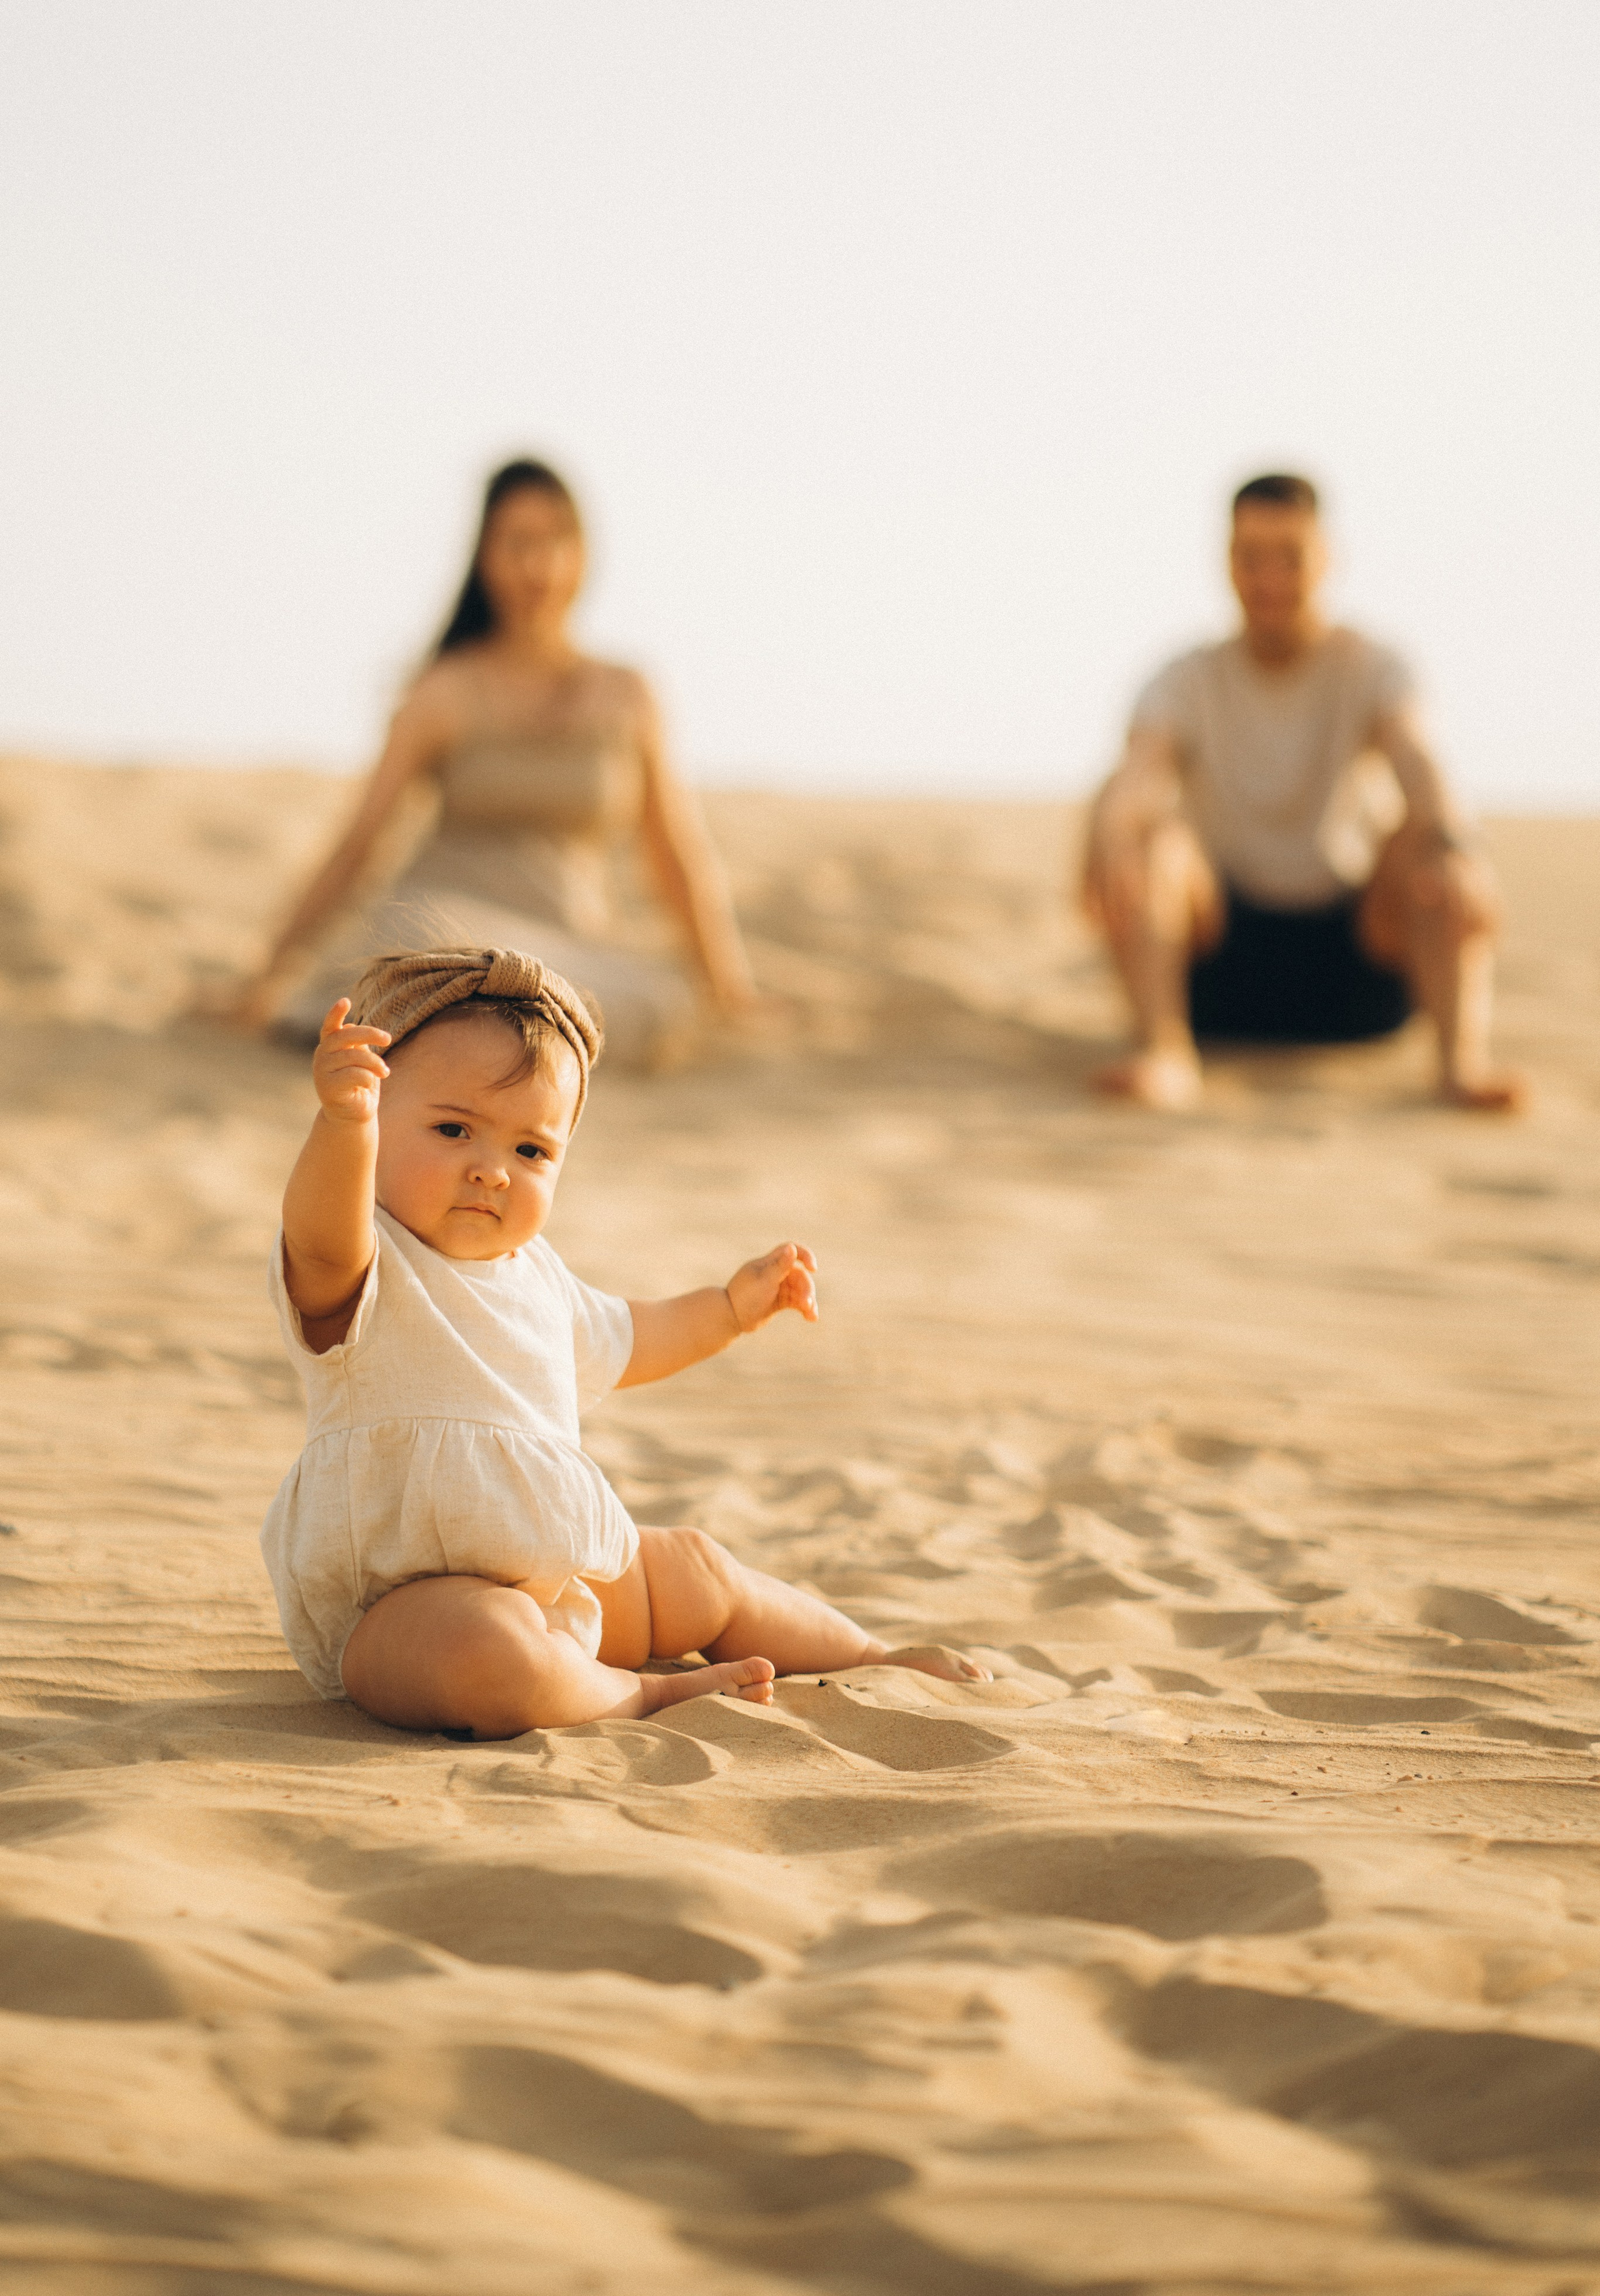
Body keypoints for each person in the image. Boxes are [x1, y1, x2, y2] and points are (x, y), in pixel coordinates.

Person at [261, 943, 989, 1735]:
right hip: (402, 1609)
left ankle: (865, 1654)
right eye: (452, 1129)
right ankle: (639, 1694)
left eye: (530, 1149)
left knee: (697, 1569)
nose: (493, 1169)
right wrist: (341, 1124)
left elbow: (635, 1336)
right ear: (379, 1120)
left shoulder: (537, 1277)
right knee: (491, 1659)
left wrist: (728, 1308)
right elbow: (321, 1233)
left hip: (552, 1573)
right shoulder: (369, 1264)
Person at [236, 458, 756, 1069]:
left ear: (585, 552)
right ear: (485, 558)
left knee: (657, 1004)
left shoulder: (628, 693)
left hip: (568, 946)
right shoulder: (445, 691)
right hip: (444, 928)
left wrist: (731, 988)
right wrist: (264, 978)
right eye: (519, 544)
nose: (540, 565)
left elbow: (674, 854)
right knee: (426, 949)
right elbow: (359, 843)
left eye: (558, 539)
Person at [1081, 473, 1521, 1112]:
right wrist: (1109, 834)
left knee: (1435, 851)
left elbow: (1417, 758)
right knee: (1147, 835)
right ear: (1226, 562)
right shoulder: (1186, 677)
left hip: (1354, 966)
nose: (1268, 579)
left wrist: (1460, 847)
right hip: (1216, 970)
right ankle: (1162, 1053)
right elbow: (1140, 770)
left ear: (1327, 558)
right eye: (1249, 557)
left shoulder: (1372, 666)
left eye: (1289, 556)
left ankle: (1459, 1065)